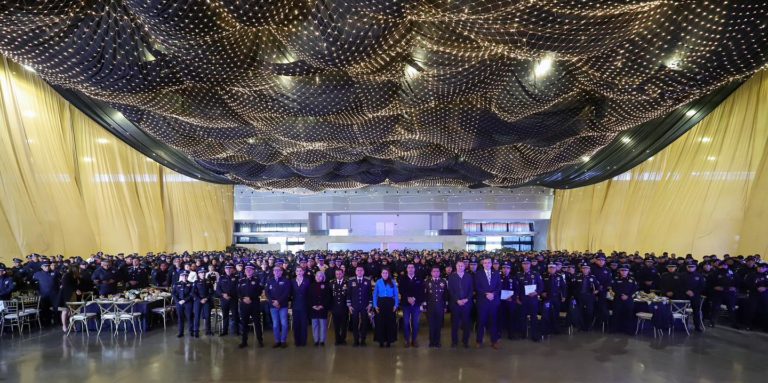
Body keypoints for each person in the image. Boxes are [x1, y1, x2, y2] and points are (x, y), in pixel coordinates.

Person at [475, 258, 501, 348]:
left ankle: (494, 341)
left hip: (493, 301)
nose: (487, 264)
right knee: (481, 322)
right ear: (483, 264)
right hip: (483, 301)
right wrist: (486, 294)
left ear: (491, 264)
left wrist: (493, 294)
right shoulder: (478, 274)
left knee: (493, 322)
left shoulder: (496, 273)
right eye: (485, 263)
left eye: (489, 263)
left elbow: (499, 286)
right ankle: (479, 340)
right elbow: (477, 287)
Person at [447, 260, 474, 348]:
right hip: (455, 304)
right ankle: (454, 341)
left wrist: (466, 299)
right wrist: (457, 300)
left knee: (466, 324)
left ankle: (465, 341)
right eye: (459, 266)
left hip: (466, 303)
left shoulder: (469, 276)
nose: (460, 267)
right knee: (455, 324)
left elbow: (471, 290)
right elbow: (450, 290)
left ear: (464, 267)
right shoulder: (452, 276)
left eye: (462, 266)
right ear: (456, 266)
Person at [237, 263, 264, 348]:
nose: (248, 271)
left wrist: (250, 298)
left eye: (250, 270)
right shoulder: (241, 280)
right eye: (246, 270)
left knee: (257, 323)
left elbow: (259, 292)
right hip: (244, 305)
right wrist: (243, 298)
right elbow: (238, 292)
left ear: (253, 271)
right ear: (245, 271)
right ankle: (244, 341)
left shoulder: (257, 280)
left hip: (254, 304)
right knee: (244, 323)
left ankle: (260, 341)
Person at [398, 263, 424, 347]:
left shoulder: (419, 278)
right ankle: (406, 340)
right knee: (405, 323)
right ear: (407, 269)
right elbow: (401, 290)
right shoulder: (402, 278)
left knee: (415, 323)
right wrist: (408, 298)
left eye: (412, 267)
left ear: (414, 269)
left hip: (416, 304)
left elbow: (421, 291)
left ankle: (414, 340)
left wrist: (414, 299)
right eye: (409, 267)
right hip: (406, 304)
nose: (410, 269)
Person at [517, 259, 543, 342]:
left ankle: (534, 335)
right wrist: (517, 298)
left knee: (533, 318)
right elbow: (516, 288)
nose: (526, 265)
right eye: (524, 264)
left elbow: (541, 286)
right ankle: (523, 334)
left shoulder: (536, 274)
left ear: (530, 264)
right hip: (523, 300)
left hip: (533, 299)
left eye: (527, 263)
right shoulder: (518, 275)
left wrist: (536, 292)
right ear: (522, 265)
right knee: (522, 318)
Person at [347, 265, 373, 347]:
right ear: (355, 272)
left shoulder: (368, 281)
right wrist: (349, 305)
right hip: (354, 305)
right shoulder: (351, 281)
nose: (359, 272)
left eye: (361, 270)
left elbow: (370, 293)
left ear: (363, 272)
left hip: (365, 305)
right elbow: (348, 294)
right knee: (354, 323)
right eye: (358, 270)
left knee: (365, 323)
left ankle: (363, 340)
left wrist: (370, 304)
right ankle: (356, 340)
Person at [373, 268, 399, 347]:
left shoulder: (393, 282)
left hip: (390, 303)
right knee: (380, 323)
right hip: (381, 303)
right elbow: (375, 294)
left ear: (388, 274)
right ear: (381, 274)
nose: (385, 274)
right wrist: (375, 305)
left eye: (386, 273)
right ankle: (381, 340)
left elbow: (396, 294)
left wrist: (396, 305)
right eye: (383, 273)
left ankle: (389, 341)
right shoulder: (378, 282)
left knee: (390, 323)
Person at [266, 265, 290, 348]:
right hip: (273, 306)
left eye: (278, 270)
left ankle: (283, 341)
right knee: (275, 324)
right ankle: (277, 341)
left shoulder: (286, 280)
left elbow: (287, 293)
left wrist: (278, 301)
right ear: (273, 272)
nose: (276, 272)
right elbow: (267, 293)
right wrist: (272, 302)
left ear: (281, 272)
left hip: (283, 305)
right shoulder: (270, 281)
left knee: (284, 324)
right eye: (275, 270)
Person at [610, 265, 638, 334]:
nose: (624, 272)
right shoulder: (616, 279)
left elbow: (635, 288)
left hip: (628, 299)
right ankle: (615, 329)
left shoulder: (632, 279)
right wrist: (621, 295)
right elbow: (614, 288)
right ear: (619, 271)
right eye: (622, 270)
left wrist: (628, 295)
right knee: (616, 314)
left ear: (628, 271)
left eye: (625, 270)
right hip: (618, 299)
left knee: (629, 314)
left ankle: (629, 330)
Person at [424, 265, 447, 348]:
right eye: (434, 271)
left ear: (439, 273)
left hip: (440, 306)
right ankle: (431, 341)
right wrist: (425, 306)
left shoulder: (443, 282)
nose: (436, 273)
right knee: (431, 325)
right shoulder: (427, 282)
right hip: (430, 306)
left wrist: (445, 306)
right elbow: (425, 295)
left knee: (438, 325)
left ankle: (437, 341)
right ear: (431, 273)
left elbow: (445, 295)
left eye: (437, 271)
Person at [57, 264, 84, 332]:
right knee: (65, 310)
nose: (80, 270)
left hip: (73, 295)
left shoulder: (76, 276)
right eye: (79, 269)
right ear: (75, 269)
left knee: (72, 311)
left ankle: (72, 325)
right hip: (65, 295)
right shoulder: (67, 275)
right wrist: (76, 290)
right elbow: (66, 285)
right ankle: (64, 326)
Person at [541, 262, 566, 336]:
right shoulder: (544, 276)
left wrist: (564, 296)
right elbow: (540, 285)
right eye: (550, 268)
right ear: (548, 268)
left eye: (553, 268)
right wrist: (542, 292)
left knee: (556, 313)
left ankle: (556, 329)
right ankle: (546, 329)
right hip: (547, 298)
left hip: (556, 298)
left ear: (556, 269)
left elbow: (563, 287)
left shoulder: (559, 276)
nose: (552, 269)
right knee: (546, 314)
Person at [216, 264, 240, 336]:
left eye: (230, 269)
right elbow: (218, 289)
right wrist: (223, 294)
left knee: (235, 315)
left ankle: (237, 331)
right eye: (227, 269)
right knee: (225, 316)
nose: (228, 270)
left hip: (233, 299)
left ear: (232, 269)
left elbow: (237, 289)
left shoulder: (236, 278)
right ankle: (225, 331)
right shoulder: (221, 278)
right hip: (224, 300)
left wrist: (231, 295)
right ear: (225, 270)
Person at [681, 261, 706, 332]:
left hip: (695, 296)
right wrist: (686, 291)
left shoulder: (699, 276)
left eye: (692, 267)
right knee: (682, 310)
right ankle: (682, 325)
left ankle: (697, 326)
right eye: (689, 266)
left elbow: (702, 286)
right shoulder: (682, 275)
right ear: (686, 267)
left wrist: (693, 292)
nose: (690, 268)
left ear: (695, 267)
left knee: (696, 311)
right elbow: (679, 285)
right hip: (684, 295)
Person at [32, 261, 59, 326]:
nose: (47, 267)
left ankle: (57, 321)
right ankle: (47, 323)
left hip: (54, 294)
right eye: (45, 266)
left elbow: (59, 282)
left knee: (56, 308)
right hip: (44, 295)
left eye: (48, 266)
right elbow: (33, 283)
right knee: (45, 309)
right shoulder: (37, 274)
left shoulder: (54, 272)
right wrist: (37, 291)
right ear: (42, 267)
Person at [309, 271, 331, 346]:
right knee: (315, 325)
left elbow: (328, 297)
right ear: (315, 277)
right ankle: (316, 340)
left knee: (323, 325)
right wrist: (313, 305)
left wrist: (322, 305)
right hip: (313, 308)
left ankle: (322, 340)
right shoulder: (311, 285)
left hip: (323, 308)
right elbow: (309, 297)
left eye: (320, 276)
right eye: (317, 276)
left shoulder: (326, 285)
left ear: (323, 277)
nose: (318, 277)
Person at [575, 263, 600, 331]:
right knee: (580, 311)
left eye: (587, 268)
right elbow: (574, 287)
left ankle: (588, 326)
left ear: (589, 269)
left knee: (589, 311)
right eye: (583, 268)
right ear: (581, 269)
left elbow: (598, 287)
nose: (585, 269)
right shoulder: (578, 277)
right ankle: (581, 326)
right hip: (580, 297)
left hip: (589, 297)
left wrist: (597, 291)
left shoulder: (593, 277)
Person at [291, 266, 310, 346]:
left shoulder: (307, 281)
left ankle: (303, 341)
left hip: (304, 305)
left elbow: (309, 294)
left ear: (303, 272)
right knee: (296, 324)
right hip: (295, 305)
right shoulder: (292, 281)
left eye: (300, 271)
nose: (299, 272)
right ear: (295, 272)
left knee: (303, 324)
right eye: (297, 271)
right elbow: (290, 293)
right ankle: (297, 341)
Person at [192, 269, 214, 337]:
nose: (203, 274)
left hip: (206, 300)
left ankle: (208, 331)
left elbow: (211, 291)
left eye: (204, 273)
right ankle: (196, 331)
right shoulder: (196, 282)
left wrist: (206, 298)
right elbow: (193, 292)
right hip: (198, 301)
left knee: (207, 316)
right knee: (197, 316)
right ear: (198, 274)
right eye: (201, 273)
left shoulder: (208, 281)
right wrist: (200, 299)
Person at [330, 268, 349, 345]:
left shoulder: (347, 283)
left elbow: (349, 295)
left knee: (344, 325)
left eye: (340, 274)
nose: (338, 275)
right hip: (335, 307)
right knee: (336, 325)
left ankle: (343, 339)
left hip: (344, 307)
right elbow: (330, 296)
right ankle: (337, 339)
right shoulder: (332, 283)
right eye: (337, 274)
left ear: (343, 274)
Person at [172, 271, 193, 338]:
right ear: (181, 276)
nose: (184, 277)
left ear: (187, 276)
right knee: (180, 318)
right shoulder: (176, 283)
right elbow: (173, 293)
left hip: (188, 302)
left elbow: (191, 294)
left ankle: (191, 331)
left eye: (186, 276)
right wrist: (178, 301)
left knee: (189, 317)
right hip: (179, 303)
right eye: (183, 276)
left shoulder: (190, 284)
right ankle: (181, 332)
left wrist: (184, 300)